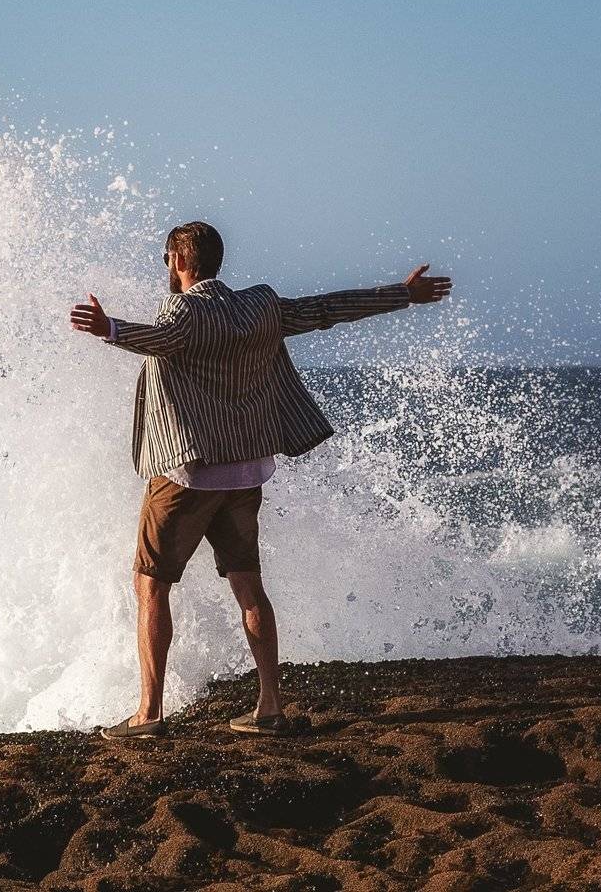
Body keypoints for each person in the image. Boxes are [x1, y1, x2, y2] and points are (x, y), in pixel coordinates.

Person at [69, 221, 451, 738]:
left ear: (180, 261)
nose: (166, 267)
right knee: (249, 585)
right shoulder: (261, 306)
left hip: (187, 472)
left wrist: (109, 328)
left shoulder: (185, 310)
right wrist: (402, 295)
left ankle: (149, 714)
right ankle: (269, 706)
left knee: (151, 584)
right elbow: (323, 309)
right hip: (246, 472)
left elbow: (161, 339)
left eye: (166, 258)